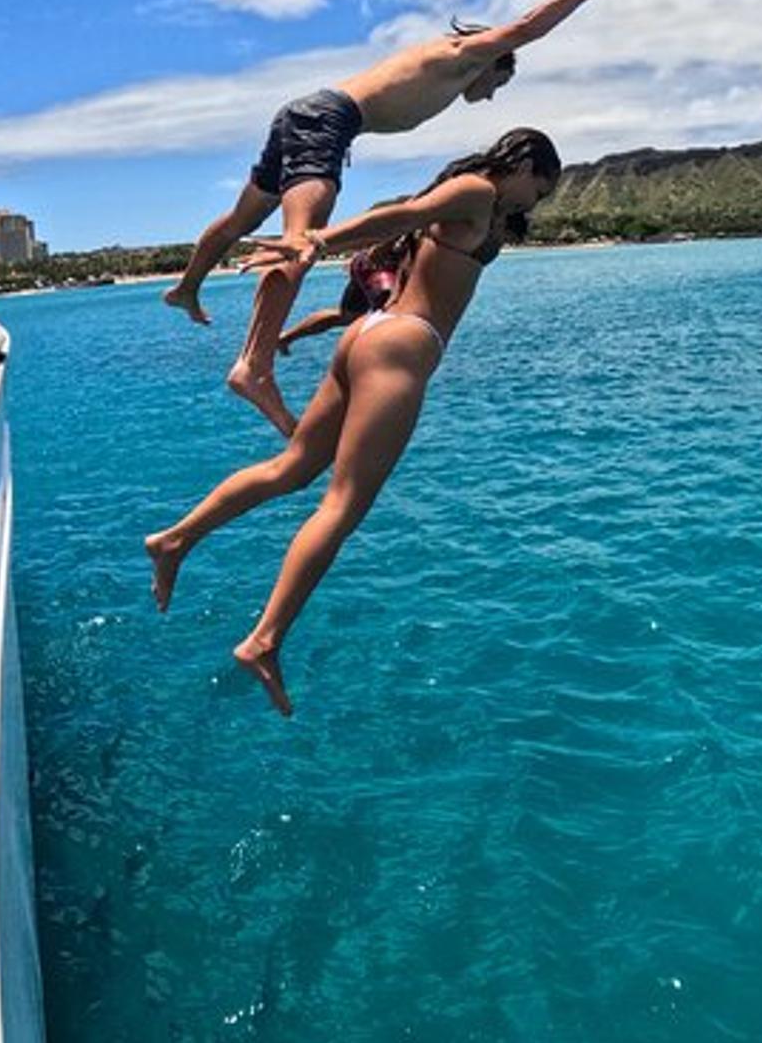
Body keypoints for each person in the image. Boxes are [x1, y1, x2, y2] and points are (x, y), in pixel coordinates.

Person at [145, 128, 560, 717]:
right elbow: (402, 215)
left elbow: (405, 221)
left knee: (291, 468)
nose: (532, 204)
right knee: (342, 505)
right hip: (403, 346)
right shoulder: (476, 190)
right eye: (537, 189)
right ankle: (263, 641)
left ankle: (174, 541)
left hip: (367, 335)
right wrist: (311, 242)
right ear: (521, 163)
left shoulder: (481, 205)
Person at [162, 0, 628, 435]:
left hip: (309, 117)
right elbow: (527, 27)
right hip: (327, 123)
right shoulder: (465, 54)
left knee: (242, 220)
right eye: (499, 83)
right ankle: (254, 366)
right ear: (494, 63)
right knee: (299, 244)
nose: (491, 95)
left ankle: (187, 287)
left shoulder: (449, 65)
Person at [275, 235, 410, 356]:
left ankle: (286, 337)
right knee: (390, 316)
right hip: (378, 267)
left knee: (347, 316)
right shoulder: (415, 216)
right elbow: (389, 237)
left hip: (369, 263)